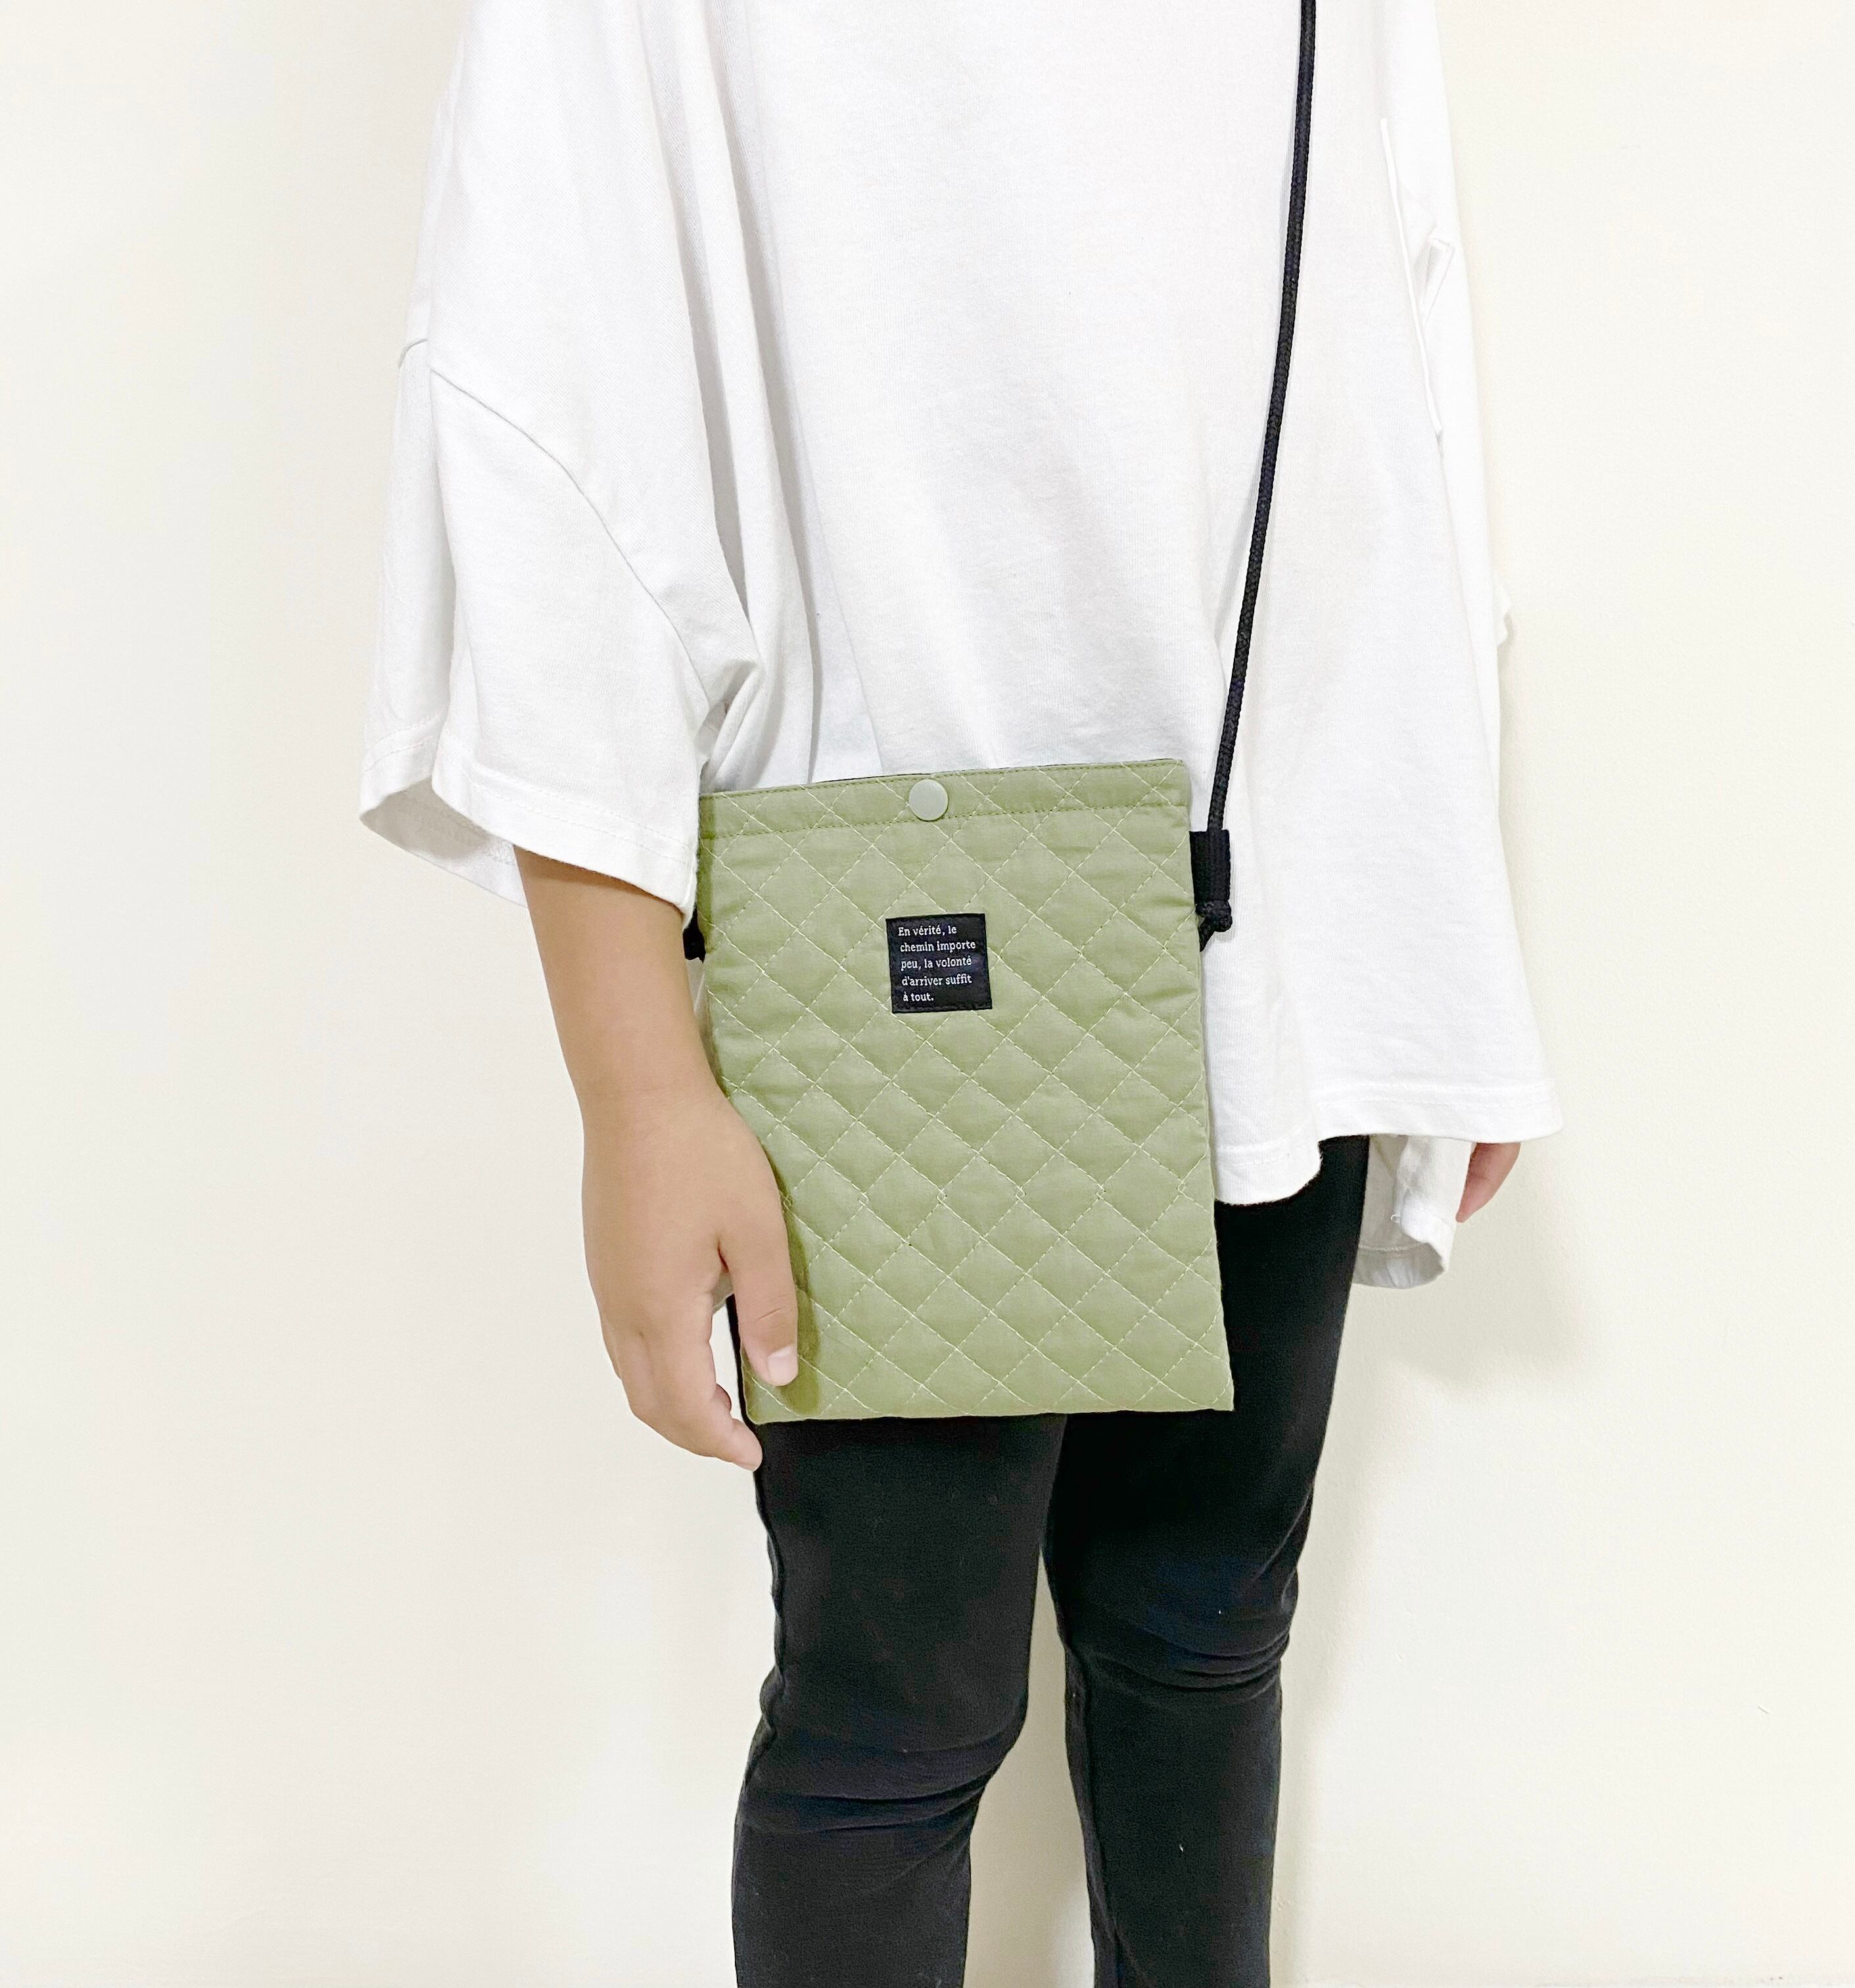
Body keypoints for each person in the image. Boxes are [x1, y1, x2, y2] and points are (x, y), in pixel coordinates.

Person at [360, 2, 1560, 1981]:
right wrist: (638, 1084)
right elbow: (549, 387)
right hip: (894, 931)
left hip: (1287, 912)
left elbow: (1390, 347)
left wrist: (1434, 945)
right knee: (896, 1714)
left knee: (1203, 1634)